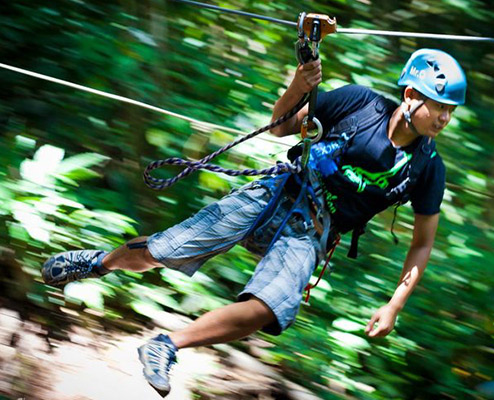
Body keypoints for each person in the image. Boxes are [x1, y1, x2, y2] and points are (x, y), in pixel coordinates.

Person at [40, 48, 466, 395]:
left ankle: (166, 345)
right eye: (439, 107)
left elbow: (422, 242)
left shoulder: (427, 169)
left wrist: (395, 305)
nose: (444, 119)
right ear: (411, 95)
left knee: (268, 308)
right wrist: (301, 84)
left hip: (313, 230)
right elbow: (280, 128)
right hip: (276, 192)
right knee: (166, 249)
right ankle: (100, 263)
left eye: (450, 111)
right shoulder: (361, 104)